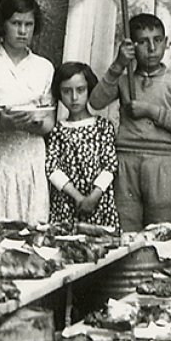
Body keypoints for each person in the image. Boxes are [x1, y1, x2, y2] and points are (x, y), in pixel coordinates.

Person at [89, 13, 171, 232]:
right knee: (127, 230)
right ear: (131, 46)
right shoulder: (124, 78)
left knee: (162, 231)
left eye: (157, 40)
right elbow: (95, 101)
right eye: (142, 42)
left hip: (163, 163)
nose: (151, 48)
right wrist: (118, 64)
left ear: (166, 43)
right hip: (126, 161)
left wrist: (151, 111)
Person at [0, 0, 55, 224]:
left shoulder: (44, 68)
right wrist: (0, 123)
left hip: (28, 159)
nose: (23, 31)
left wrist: (33, 123)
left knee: (28, 230)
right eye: (16, 23)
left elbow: (48, 124)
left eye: (28, 24)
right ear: (2, 25)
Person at [45, 62, 120, 232]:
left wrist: (93, 197)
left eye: (80, 90)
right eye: (66, 91)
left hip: (99, 202)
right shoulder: (58, 129)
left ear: (90, 90)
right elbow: (52, 168)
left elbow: (110, 165)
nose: (74, 97)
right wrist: (78, 198)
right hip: (67, 202)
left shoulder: (102, 126)